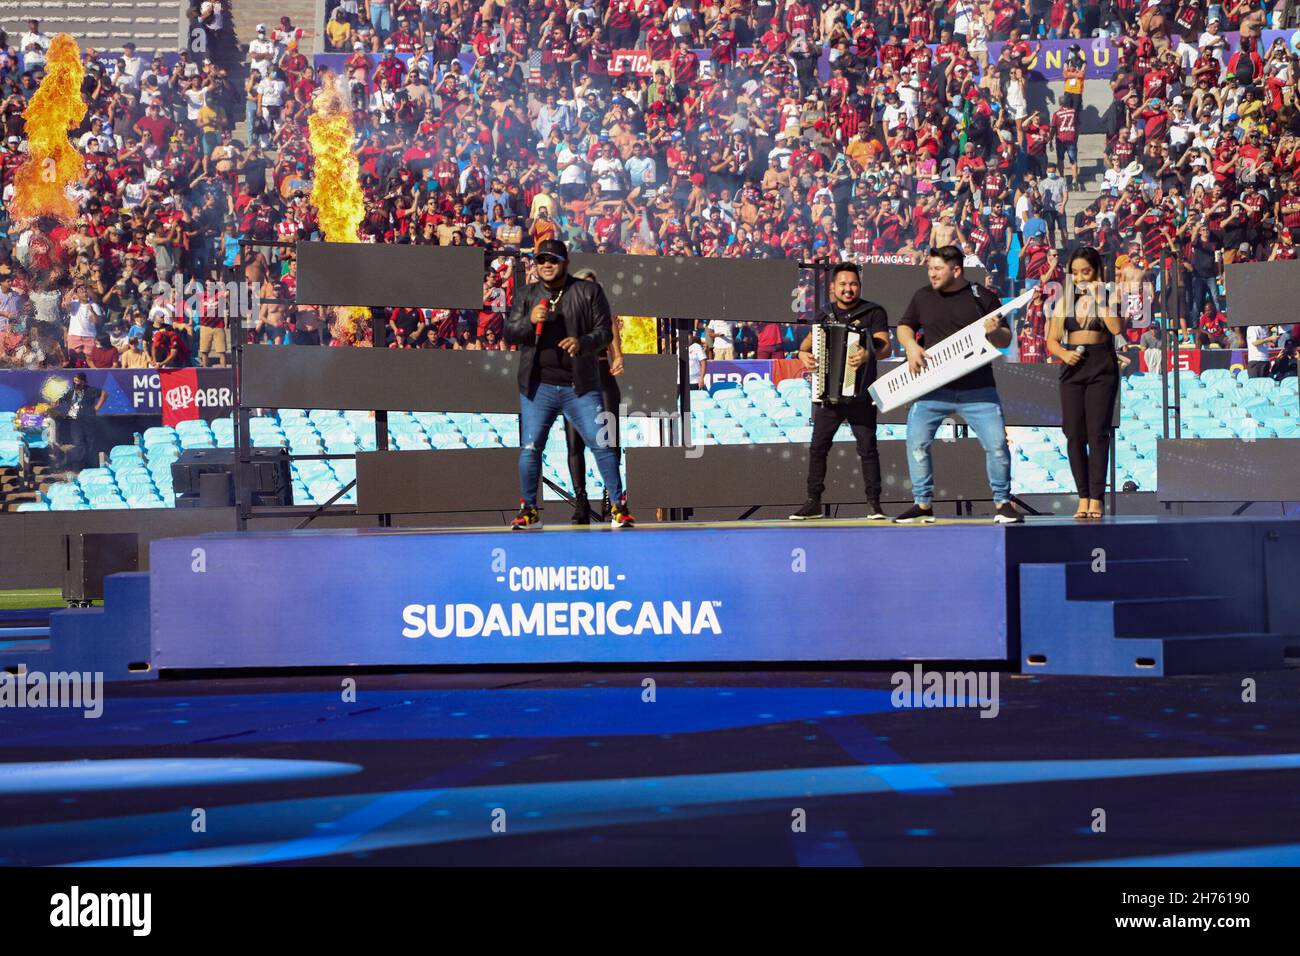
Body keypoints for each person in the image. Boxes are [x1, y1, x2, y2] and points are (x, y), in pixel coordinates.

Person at [504, 239, 633, 529]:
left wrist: (582, 342)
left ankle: (619, 507)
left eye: (553, 259)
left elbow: (604, 333)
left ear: (565, 263)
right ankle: (529, 510)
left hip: (581, 386)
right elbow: (510, 333)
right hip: (538, 387)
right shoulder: (527, 295)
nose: (546, 265)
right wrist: (529, 321)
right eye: (541, 260)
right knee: (530, 448)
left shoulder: (587, 291)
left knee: (602, 445)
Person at [894, 246, 1023, 524]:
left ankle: (1003, 503)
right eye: (930, 268)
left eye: (938, 269)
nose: (932, 274)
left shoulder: (982, 297)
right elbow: (904, 327)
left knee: (998, 445)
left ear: (956, 270)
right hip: (932, 389)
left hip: (978, 390)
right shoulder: (922, 296)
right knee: (916, 442)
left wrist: (994, 332)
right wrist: (911, 346)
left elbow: (1004, 340)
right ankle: (923, 505)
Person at [789, 262, 891, 520]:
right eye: (843, 284)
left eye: (853, 284)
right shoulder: (824, 315)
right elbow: (806, 344)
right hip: (828, 394)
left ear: (859, 286)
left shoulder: (874, 312)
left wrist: (868, 353)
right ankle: (812, 502)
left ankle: (874, 503)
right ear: (833, 288)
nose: (848, 289)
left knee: (868, 447)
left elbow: (885, 346)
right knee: (818, 448)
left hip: (861, 393)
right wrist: (802, 354)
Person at [1047, 247, 1121, 520]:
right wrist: (1064, 353)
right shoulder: (1064, 301)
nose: (1080, 278)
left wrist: (1099, 296)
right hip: (1072, 367)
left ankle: (1096, 498)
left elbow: (1116, 329)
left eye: (1086, 272)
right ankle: (1082, 496)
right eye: (1075, 273)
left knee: (1097, 433)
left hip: (1101, 364)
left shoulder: (1108, 296)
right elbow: (1052, 339)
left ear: (1097, 271)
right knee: (1073, 434)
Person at [563, 266, 625, 524]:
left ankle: (612, 498)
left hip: (601, 376)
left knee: (610, 441)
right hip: (574, 381)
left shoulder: (605, 316)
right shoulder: (564, 317)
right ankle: (581, 501)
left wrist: (619, 358)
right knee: (574, 443)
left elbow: (616, 351)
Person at [51, 372, 105, 472]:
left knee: (90, 443)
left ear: (83, 382)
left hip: (88, 420)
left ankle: (90, 465)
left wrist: (97, 407)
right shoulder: (71, 392)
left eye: (78, 381)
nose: (76, 383)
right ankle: (77, 465)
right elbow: (60, 400)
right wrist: (55, 403)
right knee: (78, 442)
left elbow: (104, 393)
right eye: (74, 381)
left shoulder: (90, 390)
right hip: (75, 421)